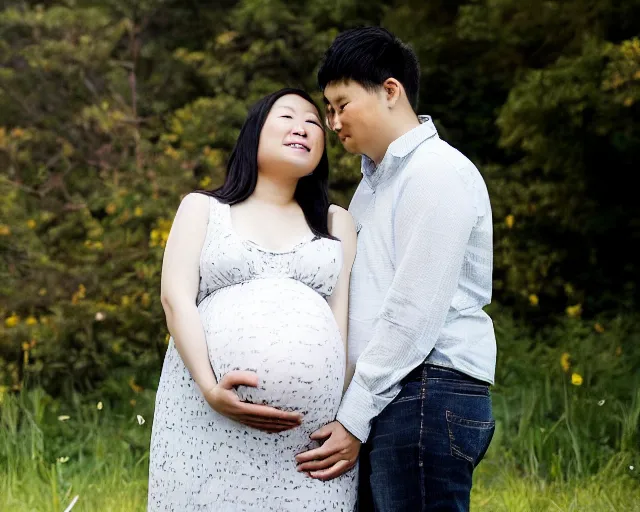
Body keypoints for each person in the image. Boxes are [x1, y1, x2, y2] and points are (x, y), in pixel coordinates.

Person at [295, 27, 497, 511]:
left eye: (342, 104)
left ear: (390, 91)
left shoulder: (435, 172)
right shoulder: (373, 187)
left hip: (427, 389)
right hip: (394, 394)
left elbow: (414, 311)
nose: (333, 121)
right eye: (328, 109)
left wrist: (353, 417)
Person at [148, 88, 358, 511]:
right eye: (287, 116)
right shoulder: (203, 208)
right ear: (254, 133)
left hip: (310, 440)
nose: (302, 126)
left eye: (314, 121)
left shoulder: (338, 222)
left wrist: (347, 421)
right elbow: (175, 300)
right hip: (207, 416)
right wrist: (210, 388)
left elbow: (343, 329)